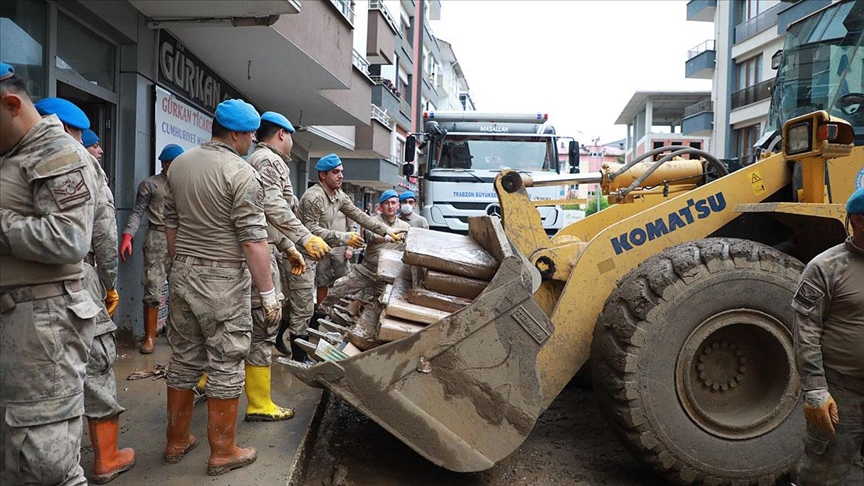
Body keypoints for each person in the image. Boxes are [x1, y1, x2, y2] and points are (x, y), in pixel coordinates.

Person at [162, 99, 280, 476]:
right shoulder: (241, 173)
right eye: (248, 135)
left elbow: (170, 223)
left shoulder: (179, 164)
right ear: (235, 134)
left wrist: (181, 265)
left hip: (182, 272)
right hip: (224, 280)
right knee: (227, 363)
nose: (250, 142)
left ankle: (176, 441)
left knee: (183, 358)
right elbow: (253, 240)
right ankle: (224, 451)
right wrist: (267, 293)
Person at [0, 62, 103, 485]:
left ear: (10, 104)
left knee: (44, 462)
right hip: (19, 323)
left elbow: (68, 239)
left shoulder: (56, 153)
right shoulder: (13, 155)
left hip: (42, 324)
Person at [243, 110, 330, 421]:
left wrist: (287, 244)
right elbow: (272, 206)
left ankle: (253, 397)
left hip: (268, 246)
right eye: (291, 135)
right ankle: (259, 404)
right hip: (259, 252)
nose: (292, 141)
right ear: (281, 133)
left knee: (258, 322)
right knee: (263, 323)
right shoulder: (268, 161)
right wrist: (302, 238)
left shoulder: (263, 160)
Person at [293, 154, 406, 361]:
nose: (340, 176)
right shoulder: (313, 197)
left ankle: (302, 337)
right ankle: (299, 355)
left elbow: (359, 216)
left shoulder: (339, 195)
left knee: (302, 305)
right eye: (336, 172)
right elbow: (309, 229)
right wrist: (345, 237)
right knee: (302, 305)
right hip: (299, 257)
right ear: (323, 175)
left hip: (319, 252)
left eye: (341, 171)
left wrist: (386, 231)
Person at [793, 186, 864, 485]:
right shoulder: (826, 267)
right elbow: (806, 330)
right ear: (859, 221)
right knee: (824, 475)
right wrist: (815, 389)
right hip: (841, 393)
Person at [120, 144, 184, 354]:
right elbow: (138, 212)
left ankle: (177, 335)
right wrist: (128, 235)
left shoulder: (187, 184)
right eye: (167, 162)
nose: (170, 166)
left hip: (181, 237)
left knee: (180, 288)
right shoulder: (151, 184)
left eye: (174, 163)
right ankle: (150, 337)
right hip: (156, 236)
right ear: (162, 163)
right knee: (153, 287)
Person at [319, 189, 411, 316]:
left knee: (382, 303)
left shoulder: (405, 226)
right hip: (366, 271)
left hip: (386, 275)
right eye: (387, 203)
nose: (390, 206)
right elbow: (371, 236)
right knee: (338, 290)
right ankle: (320, 314)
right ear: (381, 206)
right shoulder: (372, 221)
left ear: (398, 205)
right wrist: (388, 237)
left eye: (393, 203)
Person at [315, 210, 356, 304]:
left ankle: (342, 306)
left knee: (344, 279)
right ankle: (321, 308)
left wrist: (350, 248)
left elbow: (352, 227)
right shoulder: (321, 204)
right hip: (322, 247)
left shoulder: (343, 204)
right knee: (321, 280)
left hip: (340, 248)